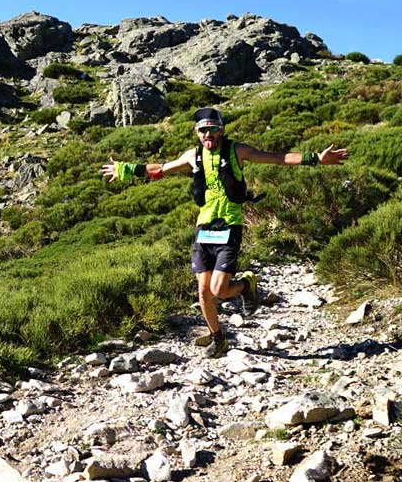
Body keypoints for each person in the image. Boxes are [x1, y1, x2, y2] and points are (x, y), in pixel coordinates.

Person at [100, 107, 348, 357]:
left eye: (213, 129)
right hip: (204, 228)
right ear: (197, 132)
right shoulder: (193, 155)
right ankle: (218, 339)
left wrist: (316, 158)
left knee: (220, 290)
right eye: (203, 130)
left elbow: (277, 158)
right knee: (203, 291)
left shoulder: (236, 151)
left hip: (229, 226)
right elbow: (161, 169)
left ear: (222, 129)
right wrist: (125, 169)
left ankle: (246, 285)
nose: (209, 134)